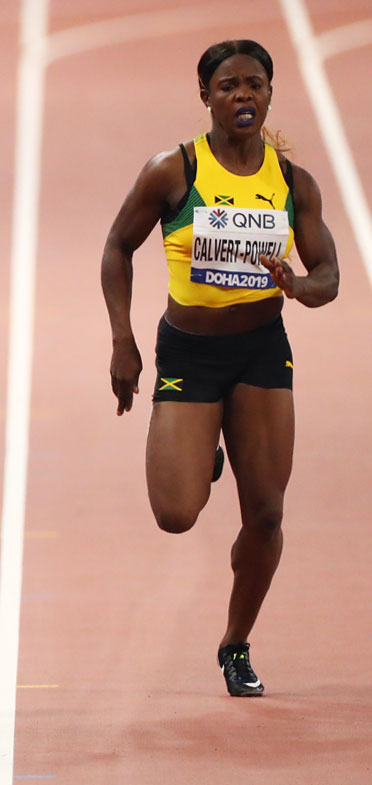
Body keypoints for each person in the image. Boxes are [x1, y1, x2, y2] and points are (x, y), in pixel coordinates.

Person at [101, 39, 338, 696]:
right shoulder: (173, 170)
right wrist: (123, 340)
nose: (243, 95)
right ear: (204, 95)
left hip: (261, 350)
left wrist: (295, 284)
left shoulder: (293, 185)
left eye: (255, 84)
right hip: (190, 351)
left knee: (265, 515)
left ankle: (235, 643)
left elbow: (330, 277)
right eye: (229, 85)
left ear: (269, 94)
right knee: (176, 513)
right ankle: (201, 447)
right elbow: (118, 246)